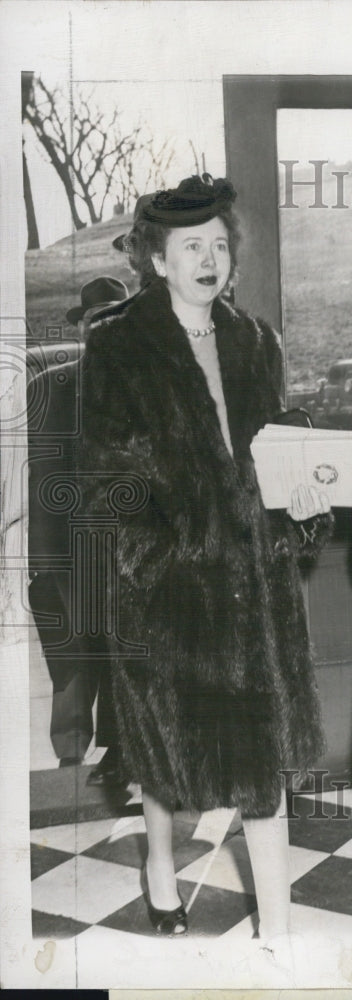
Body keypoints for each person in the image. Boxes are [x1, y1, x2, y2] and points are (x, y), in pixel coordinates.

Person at [78, 174, 331, 940]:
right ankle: (160, 863)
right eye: (192, 247)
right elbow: (107, 483)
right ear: (157, 260)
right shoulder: (117, 346)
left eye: (220, 244)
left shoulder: (256, 341)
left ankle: (277, 933)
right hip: (171, 592)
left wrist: (304, 502)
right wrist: (160, 560)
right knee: (165, 752)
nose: (209, 259)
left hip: (256, 586)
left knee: (263, 764)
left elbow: (275, 446)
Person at [28, 276, 129, 769]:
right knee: (71, 673)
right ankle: (68, 774)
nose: (108, 328)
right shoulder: (53, 384)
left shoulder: (148, 384)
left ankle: (121, 762)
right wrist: (48, 569)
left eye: (118, 319)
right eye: (98, 320)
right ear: (85, 327)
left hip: (130, 559)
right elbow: (46, 489)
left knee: (128, 669)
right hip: (69, 557)